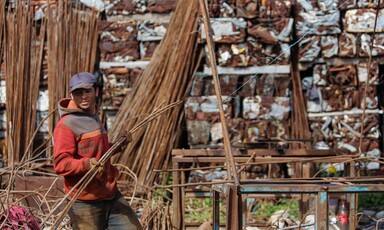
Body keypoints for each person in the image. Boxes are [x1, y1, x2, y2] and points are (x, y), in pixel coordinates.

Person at [53, 72, 143, 230]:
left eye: (87, 91)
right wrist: (87, 164)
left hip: (109, 193)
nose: (83, 97)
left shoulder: (93, 116)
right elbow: (60, 164)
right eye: (78, 93)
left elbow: (98, 151)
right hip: (84, 200)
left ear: (96, 91)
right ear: (71, 95)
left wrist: (119, 144)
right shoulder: (66, 125)